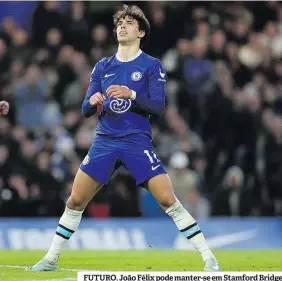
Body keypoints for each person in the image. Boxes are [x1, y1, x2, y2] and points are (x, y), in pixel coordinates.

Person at [28, 5, 220, 272]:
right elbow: (85, 110)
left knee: (168, 200)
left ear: (140, 32)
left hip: (136, 142)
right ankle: (50, 259)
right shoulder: (103, 66)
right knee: (74, 200)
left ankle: (208, 257)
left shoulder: (152, 65)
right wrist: (93, 100)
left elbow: (158, 108)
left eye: (129, 23)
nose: (122, 26)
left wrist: (131, 94)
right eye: (120, 22)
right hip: (105, 140)